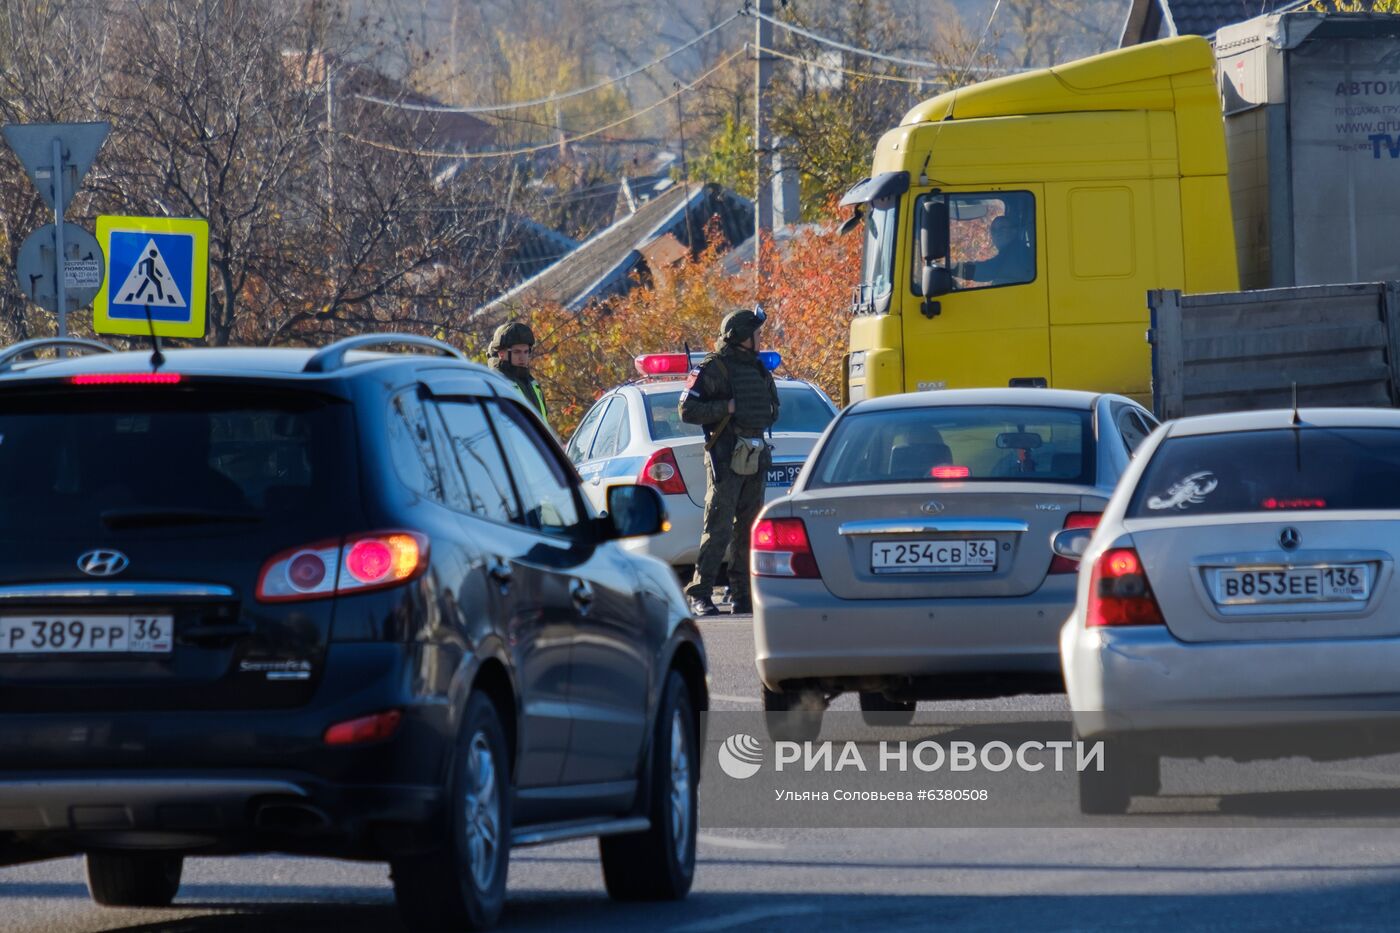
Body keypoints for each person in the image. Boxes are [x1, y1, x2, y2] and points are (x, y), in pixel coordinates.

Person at [679, 307, 780, 617]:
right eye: (756, 334)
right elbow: (687, 410)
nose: (760, 339)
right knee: (718, 528)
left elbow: (772, 409)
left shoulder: (758, 369)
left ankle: (743, 595)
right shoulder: (713, 368)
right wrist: (728, 406)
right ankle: (701, 593)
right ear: (741, 338)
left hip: (755, 455)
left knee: (749, 530)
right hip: (725, 458)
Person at [488, 321, 549, 425]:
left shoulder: (532, 383)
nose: (523, 357)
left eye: (526, 352)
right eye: (516, 352)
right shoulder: (496, 385)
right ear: (501, 354)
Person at [955, 215, 1034, 287]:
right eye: (994, 230)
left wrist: (953, 268)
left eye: (1002, 229)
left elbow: (985, 271)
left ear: (1014, 231)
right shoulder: (1012, 250)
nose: (997, 233)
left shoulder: (1016, 252)